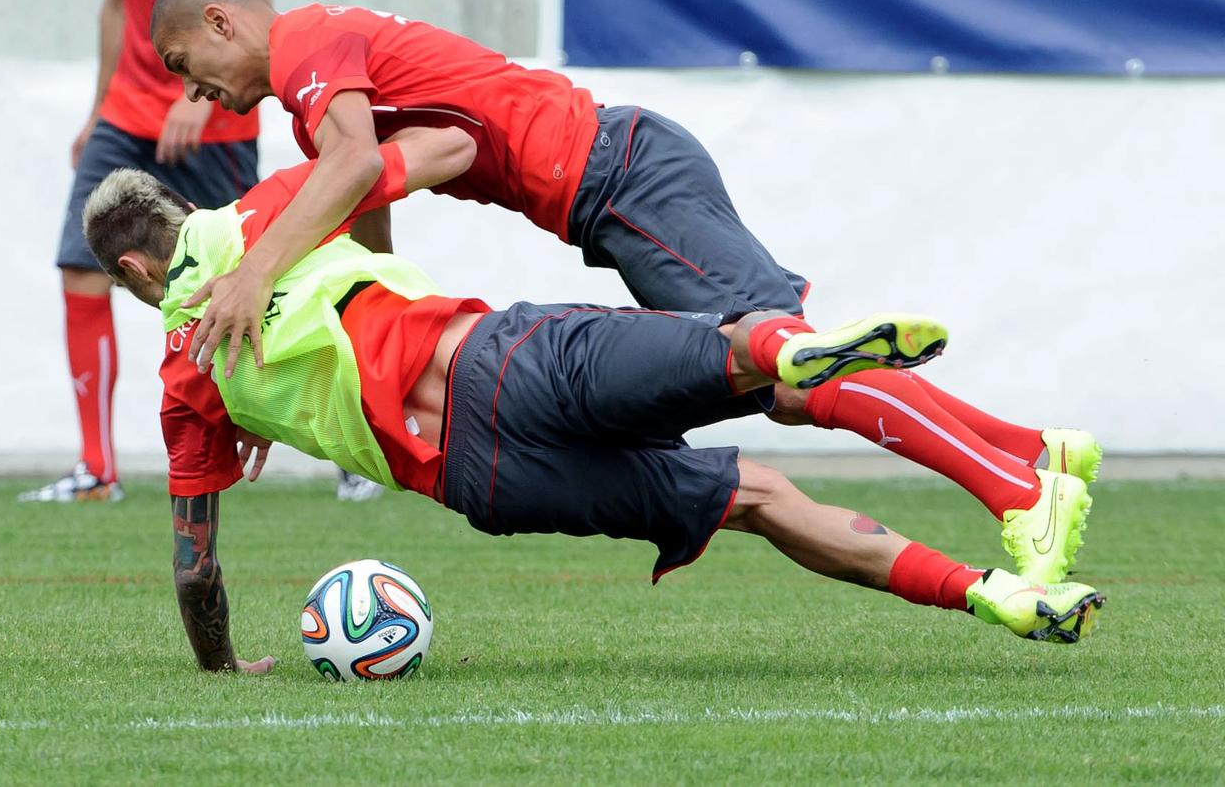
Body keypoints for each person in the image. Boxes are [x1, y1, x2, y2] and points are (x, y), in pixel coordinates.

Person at [146, 0, 1101, 586]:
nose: (195, 92)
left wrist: (250, 276)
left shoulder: (310, 47)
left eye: (188, 63)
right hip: (618, 182)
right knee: (791, 371)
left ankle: (1017, 493)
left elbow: (354, 167)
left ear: (223, 19)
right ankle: (1038, 452)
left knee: (789, 378)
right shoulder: (322, 84)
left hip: (620, 174)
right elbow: (373, 182)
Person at [79, 159, 1104, 674]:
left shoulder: (187, 380)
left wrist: (221, 667)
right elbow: (402, 150)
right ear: (175, 212)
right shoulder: (270, 211)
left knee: (753, 496)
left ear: (132, 270)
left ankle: (988, 597)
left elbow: (195, 563)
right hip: (499, 362)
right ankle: (783, 350)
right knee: (735, 360)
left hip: (481, 481)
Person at [20, 0, 268, 503]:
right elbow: (117, 0)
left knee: (261, 267)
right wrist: (97, 110)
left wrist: (200, 98)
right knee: (81, 267)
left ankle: (339, 445)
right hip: (125, 111)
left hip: (211, 116)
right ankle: (97, 469)